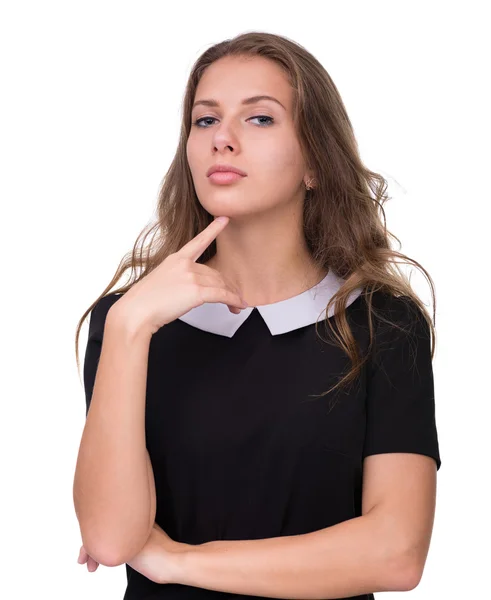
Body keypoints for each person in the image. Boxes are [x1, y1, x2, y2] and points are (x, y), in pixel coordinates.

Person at [73, 31, 441, 600]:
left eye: (260, 119)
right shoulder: (129, 324)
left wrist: (178, 561)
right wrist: (126, 329)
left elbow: (395, 553)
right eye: (205, 120)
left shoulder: (383, 327)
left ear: (315, 161)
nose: (223, 138)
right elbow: (112, 537)